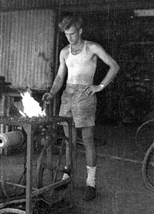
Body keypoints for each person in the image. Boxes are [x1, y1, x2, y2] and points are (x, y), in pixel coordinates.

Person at [42, 14, 120, 201]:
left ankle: (91, 183)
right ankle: (67, 177)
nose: (70, 38)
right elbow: (60, 77)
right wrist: (52, 93)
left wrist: (99, 87)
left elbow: (114, 66)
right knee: (69, 140)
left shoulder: (92, 48)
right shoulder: (64, 52)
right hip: (67, 96)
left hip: (85, 97)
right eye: (67, 34)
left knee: (87, 140)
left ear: (80, 31)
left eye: (73, 34)